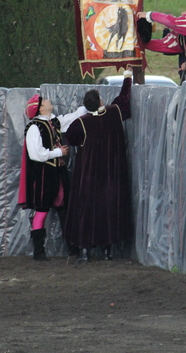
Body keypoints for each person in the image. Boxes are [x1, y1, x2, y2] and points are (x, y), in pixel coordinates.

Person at [64, 69, 133, 262]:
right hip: (111, 173)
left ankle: (86, 252)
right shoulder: (113, 113)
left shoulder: (82, 124)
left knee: (87, 210)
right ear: (101, 101)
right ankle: (108, 252)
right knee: (109, 209)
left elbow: (71, 138)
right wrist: (128, 76)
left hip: (88, 176)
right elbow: (124, 99)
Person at [20, 94, 86, 261]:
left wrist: (86, 106)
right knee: (41, 211)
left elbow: (71, 118)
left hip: (58, 173)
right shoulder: (34, 127)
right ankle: (39, 252)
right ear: (40, 108)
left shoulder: (53, 122)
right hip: (43, 174)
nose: (49, 101)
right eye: (45, 101)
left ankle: (73, 249)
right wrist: (59, 152)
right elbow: (36, 154)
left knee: (64, 209)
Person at [136, 6, 186, 83]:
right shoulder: (182, 35)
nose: (182, 13)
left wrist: (149, 15)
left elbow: (172, 22)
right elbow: (164, 45)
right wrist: (140, 42)